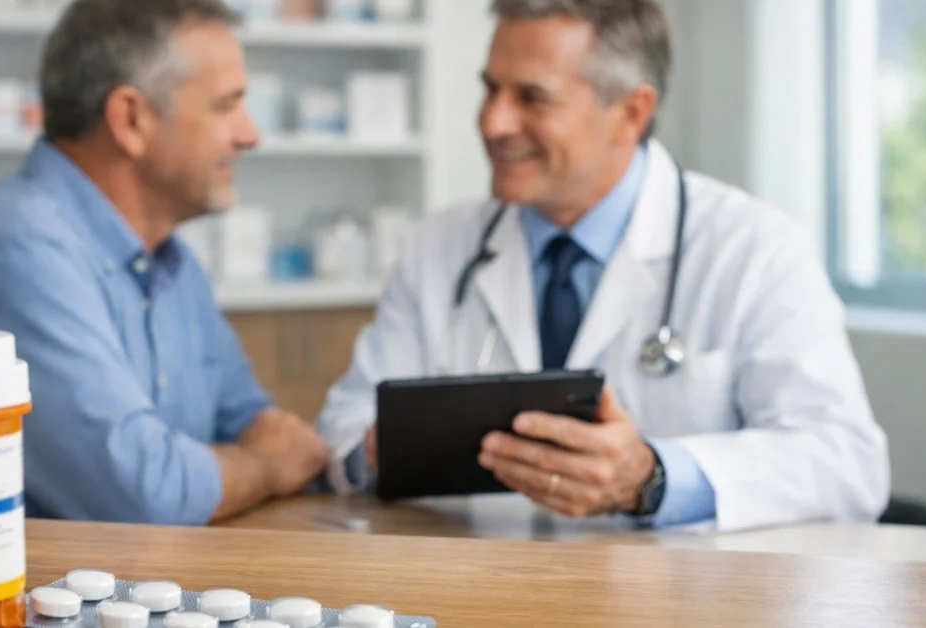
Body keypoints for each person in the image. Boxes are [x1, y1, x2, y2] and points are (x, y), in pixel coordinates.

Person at [316, 0, 890, 532]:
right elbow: (342, 428)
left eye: (532, 98)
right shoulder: (438, 246)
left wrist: (652, 476)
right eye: (490, 89)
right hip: (477, 586)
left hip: (673, 602)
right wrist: (373, 451)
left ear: (631, 112)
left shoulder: (754, 249)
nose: (492, 122)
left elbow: (846, 463)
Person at [0, 0, 329, 525]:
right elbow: (142, 497)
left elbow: (258, 427)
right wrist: (261, 468)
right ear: (131, 119)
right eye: (227, 106)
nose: (250, 134)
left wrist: (256, 459)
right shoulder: (16, 249)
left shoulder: (171, 264)